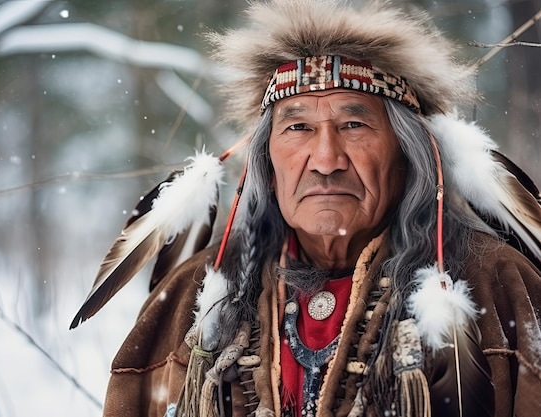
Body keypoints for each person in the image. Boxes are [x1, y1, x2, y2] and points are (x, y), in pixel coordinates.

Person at [81, 1, 541, 416]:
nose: (325, 160)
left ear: (407, 151)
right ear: (267, 159)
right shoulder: (196, 296)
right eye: (298, 126)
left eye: (354, 123)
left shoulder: (498, 285)